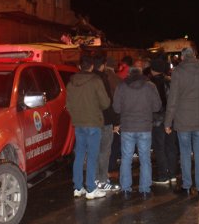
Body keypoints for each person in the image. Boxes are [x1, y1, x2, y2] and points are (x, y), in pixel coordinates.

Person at [164, 47, 199, 198]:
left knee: (185, 153)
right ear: (195, 55)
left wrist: (168, 122)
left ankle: (187, 186)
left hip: (183, 121)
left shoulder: (178, 72)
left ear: (182, 57)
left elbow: (172, 100)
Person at [113, 64, 162, 199]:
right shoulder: (150, 86)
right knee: (145, 159)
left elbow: (116, 108)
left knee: (126, 159)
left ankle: (125, 189)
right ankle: (145, 189)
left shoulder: (121, 86)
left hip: (127, 127)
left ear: (129, 74)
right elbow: (157, 106)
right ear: (141, 74)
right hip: (145, 127)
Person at [65, 55, 111, 200]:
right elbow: (105, 103)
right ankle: (91, 188)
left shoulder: (71, 83)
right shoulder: (96, 81)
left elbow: (68, 105)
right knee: (92, 156)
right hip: (93, 123)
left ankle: (78, 188)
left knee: (79, 155)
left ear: (80, 67)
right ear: (91, 66)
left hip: (78, 123)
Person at [93, 56, 121, 192]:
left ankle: (94, 179)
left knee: (94, 151)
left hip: (91, 121)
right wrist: (115, 121)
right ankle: (102, 181)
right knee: (104, 152)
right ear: (103, 65)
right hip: (104, 120)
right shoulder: (103, 79)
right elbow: (107, 102)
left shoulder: (86, 79)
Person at [149, 57, 178, 184]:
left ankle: (163, 175)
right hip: (171, 118)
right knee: (171, 146)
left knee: (159, 148)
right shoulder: (170, 81)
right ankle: (172, 173)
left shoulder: (150, 84)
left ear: (153, 70)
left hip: (157, 120)